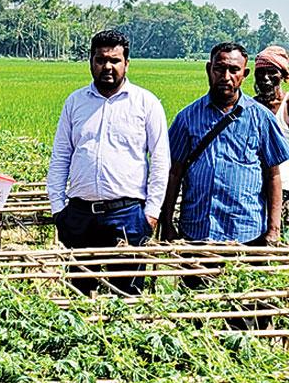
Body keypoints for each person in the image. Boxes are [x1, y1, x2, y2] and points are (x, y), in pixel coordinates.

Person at [47, 29, 170, 295]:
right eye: (101, 59)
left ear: (127, 63)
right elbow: (60, 157)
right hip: (80, 214)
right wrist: (59, 209)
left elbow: (161, 161)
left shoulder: (145, 103)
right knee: (78, 296)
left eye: (115, 60)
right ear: (91, 61)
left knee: (127, 296)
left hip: (127, 214)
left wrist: (151, 214)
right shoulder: (75, 102)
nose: (108, 67)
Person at [160, 42, 287, 247]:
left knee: (244, 280)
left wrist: (273, 229)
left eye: (234, 70)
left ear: (244, 74)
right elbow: (174, 173)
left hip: (247, 232)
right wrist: (166, 222)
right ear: (209, 69)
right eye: (219, 68)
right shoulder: (187, 118)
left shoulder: (261, 118)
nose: (226, 76)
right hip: (197, 231)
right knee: (194, 280)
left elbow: (273, 175)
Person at [252, 45, 289, 233]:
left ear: (283, 75)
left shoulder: (287, 105)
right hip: (257, 189)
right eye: (260, 73)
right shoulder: (250, 106)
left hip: (286, 188)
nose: (265, 78)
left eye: (272, 72)